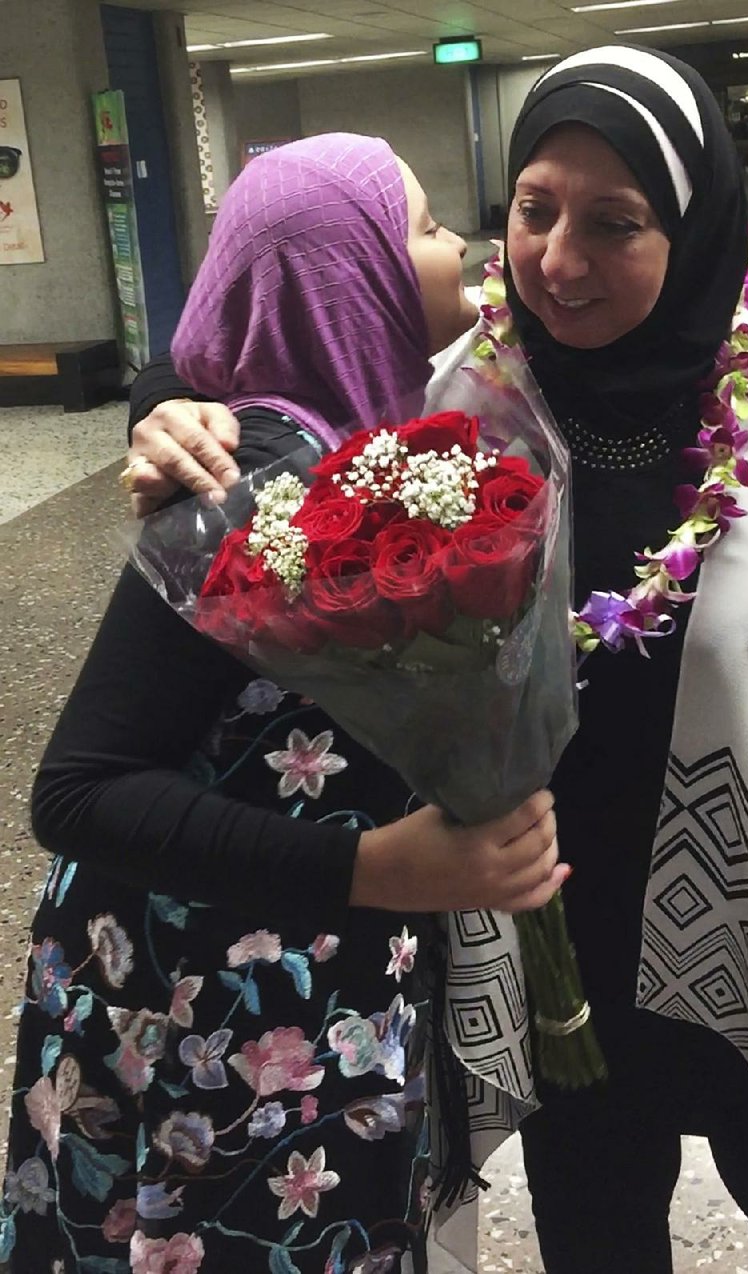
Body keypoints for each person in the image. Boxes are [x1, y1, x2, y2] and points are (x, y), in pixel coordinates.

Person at [125, 48, 748, 1274]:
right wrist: (166, 400)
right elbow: (284, 328)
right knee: (595, 1228)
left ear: (697, 224)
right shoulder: (450, 395)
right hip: (544, 927)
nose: (557, 260)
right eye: (531, 211)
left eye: (615, 223)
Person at [4, 135, 565, 1274]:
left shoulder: (348, 452)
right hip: (202, 1036)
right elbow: (76, 792)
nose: (452, 239)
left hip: (278, 1002)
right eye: (416, 226)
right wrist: (379, 870)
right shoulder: (249, 487)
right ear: (342, 278)